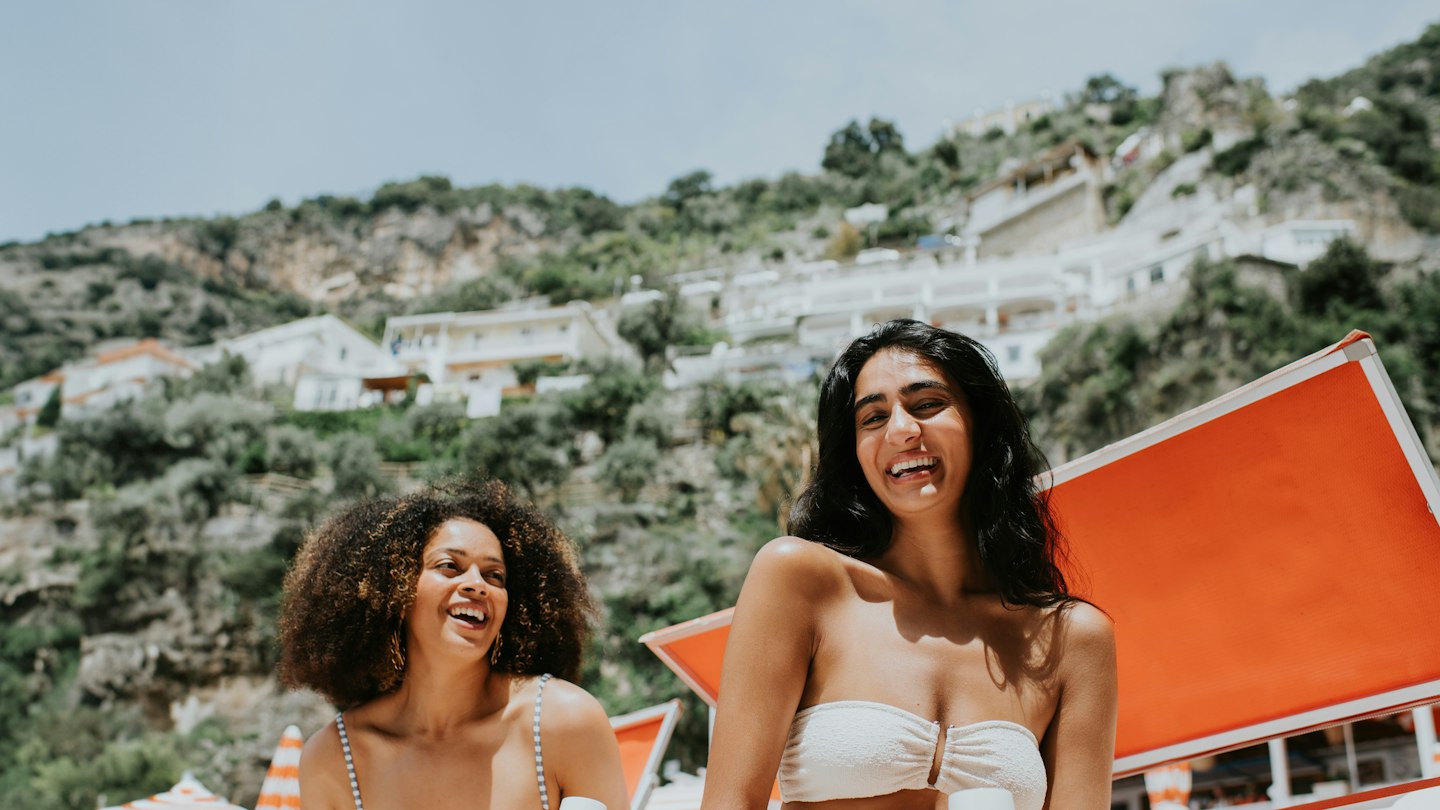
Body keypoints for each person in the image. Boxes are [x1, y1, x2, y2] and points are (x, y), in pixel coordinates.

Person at [700, 320, 1118, 810]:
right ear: (854, 454)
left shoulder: (1072, 639)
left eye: (926, 405)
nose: (902, 430)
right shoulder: (800, 580)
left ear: (980, 426)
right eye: (872, 418)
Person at [278, 479, 629, 810]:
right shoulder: (333, 758)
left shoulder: (565, 723)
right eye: (450, 566)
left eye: (495, 576)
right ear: (395, 590)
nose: (477, 584)